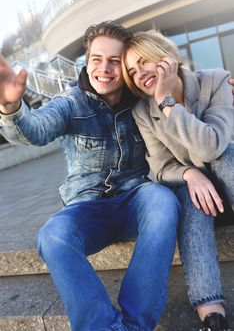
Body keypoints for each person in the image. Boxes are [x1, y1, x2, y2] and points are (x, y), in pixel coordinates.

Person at [0, 21, 181, 331]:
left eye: (114, 61)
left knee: (163, 199)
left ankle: (136, 324)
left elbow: (183, 98)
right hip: (86, 209)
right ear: (87, 61)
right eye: (97, 59)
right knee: (51, 235)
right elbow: (36, 130)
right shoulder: (71, 103)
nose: (104, 68)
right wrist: (11, 106)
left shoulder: (141, 99)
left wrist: (218, 88)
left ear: (124, 66)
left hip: (135, 200)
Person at [122, 29, 234, 331]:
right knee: (186, 195)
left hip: (231, 181)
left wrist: (168, 103)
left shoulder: (216, 81)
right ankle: (212, 313)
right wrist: (189, 172)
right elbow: (159, 166)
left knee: (226, 156)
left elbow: (211, 146)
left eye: (143, 61)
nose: (139, 74)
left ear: (167, 56)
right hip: (203, 199)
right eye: (132, 71)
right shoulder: (142, 111)